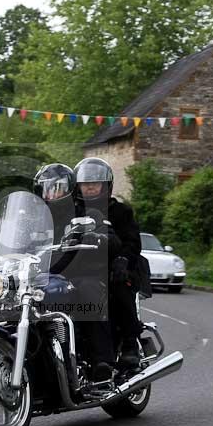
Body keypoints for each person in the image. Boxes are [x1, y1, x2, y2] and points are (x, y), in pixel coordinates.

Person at [33, 163, 115, 382]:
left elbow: (106, 234)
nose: (51, 193)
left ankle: (101, 361)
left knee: (87, 294)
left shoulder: (85, 211)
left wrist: (95, 236)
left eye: (57, 187)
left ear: (69, 188)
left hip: (80, 273)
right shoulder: (33, 217)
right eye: (46, 187)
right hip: (41, 276)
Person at [73, 157, 144, 370]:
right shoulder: (72, 211)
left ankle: (129, 343)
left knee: (120, 286)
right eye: (86, 183)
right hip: (80, 269)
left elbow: (133, 241)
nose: (91, 187)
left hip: (114, 267)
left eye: (96, 183)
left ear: (107, 185)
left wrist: (123, 260)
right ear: (78, 186)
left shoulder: (119, 211)